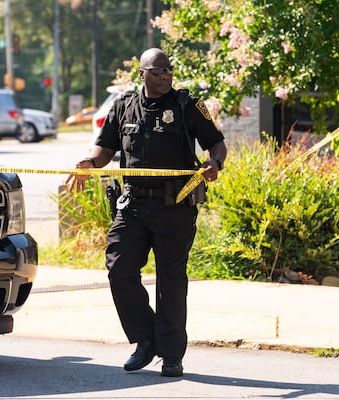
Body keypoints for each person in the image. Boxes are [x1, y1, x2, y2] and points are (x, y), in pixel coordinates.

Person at [67, 48, 227, 377]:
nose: (166, 74)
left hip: (175, 205)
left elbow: (216, 142)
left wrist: (215, 163)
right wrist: (90, 163)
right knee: (119, 270)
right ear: (142, 74)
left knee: (171, 281)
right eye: (158, 70)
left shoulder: (186, 105)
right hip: (133, 204)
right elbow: (105, 148)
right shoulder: (123, 105)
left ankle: (171, 355)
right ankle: (145, 340)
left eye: (169, 69)